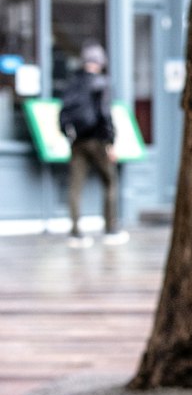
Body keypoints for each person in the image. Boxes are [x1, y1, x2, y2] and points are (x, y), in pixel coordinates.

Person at [59, 42, 128, 248]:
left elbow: (62, 114)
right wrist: (111, 142)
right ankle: (110, 229)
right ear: (99, 62)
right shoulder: (100, 83)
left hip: (78, 141)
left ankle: (75, 232)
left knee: (75, 187)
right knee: (110, 182)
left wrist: (68, 136)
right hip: (98, 140)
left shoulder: (73, 83)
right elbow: (105, 114)